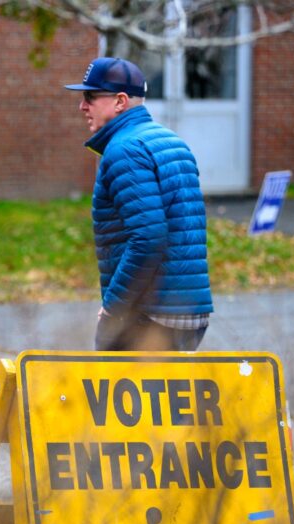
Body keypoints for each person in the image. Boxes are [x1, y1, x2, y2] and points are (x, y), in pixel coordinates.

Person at [65, 57, 213, 352]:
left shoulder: (123, 150)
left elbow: (149, 237)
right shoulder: (170, 141)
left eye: (90, 96)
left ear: (120, 101)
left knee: (110, 394)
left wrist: (113, 307)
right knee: (172, 398)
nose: (82, 106)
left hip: (147, 315)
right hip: (189, 313)